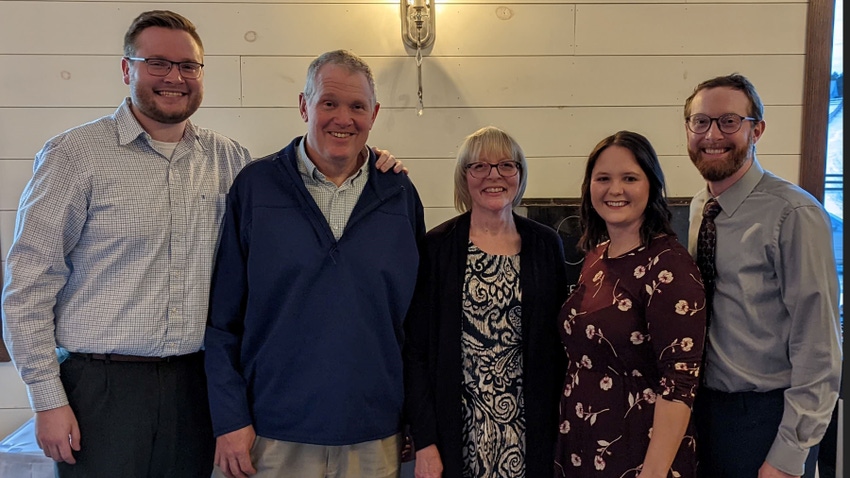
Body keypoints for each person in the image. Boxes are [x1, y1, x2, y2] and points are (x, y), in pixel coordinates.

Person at [0, 12, 402, 478]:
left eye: (188, 66)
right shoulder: (75, 154)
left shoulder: (231, 161)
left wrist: (375, 161)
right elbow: (29, 282)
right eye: (157, 63)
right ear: (127, 69)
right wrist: (47, 399)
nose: (174, 77)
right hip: (102, 387)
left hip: (196, 387)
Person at [204, 49, 425, 478]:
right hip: (272, 436)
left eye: (357, 106)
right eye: (329, 103)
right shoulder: (255, 187)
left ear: (374, 114)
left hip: (373, 435)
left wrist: (418, 422)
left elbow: (415, 324)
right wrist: (230, 419)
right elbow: (221, 322)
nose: (343, 118)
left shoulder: (398, 195)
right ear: (304, 105)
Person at [684, 74, 841, 478]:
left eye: (729, 121)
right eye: (700, 121)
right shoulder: (702, 206)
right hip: (705, 413)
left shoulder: (794, 215)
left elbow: (819, 348)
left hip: (766, 418)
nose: (712, 134)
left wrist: (789, 456)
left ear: (757, 130)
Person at [403, 126, 569, 478]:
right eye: (479, 166)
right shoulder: (437, 248)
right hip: (457, 432)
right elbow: (415, 351)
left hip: (531, 430)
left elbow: (558, 347)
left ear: (520, 174)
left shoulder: (546, 245)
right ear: (464, 177)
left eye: (506, 165)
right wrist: (426, 441)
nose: (494, 176)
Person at [554, 131, 707, 478]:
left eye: (630, 178)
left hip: (641, 451)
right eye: (603, 178)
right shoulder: (596, 257)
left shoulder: (669, 267)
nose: (615, 189)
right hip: (583, 440)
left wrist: (651, 473)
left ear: (651, 185)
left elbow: (680, 384)